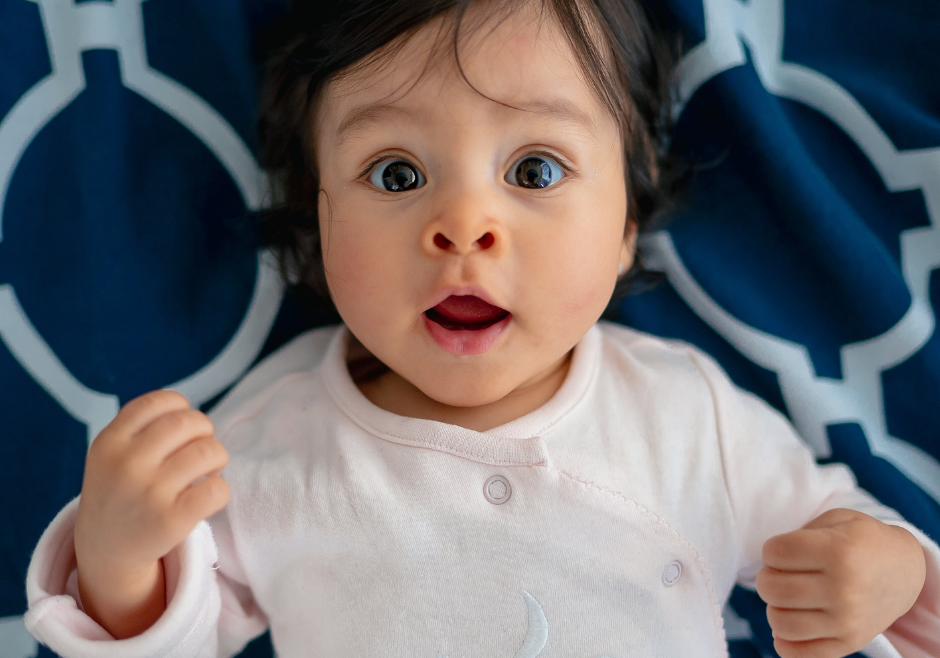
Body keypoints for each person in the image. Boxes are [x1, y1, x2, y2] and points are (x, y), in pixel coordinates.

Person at [23, 1, 940, 656]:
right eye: (394, 174)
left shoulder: (683, 409)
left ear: (625, 223)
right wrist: (117, 558)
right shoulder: (269, 439)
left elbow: (835, 524)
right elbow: (172, 640)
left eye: (536, 170)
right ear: (319, 213)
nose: (463, 223)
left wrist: (889, 571)